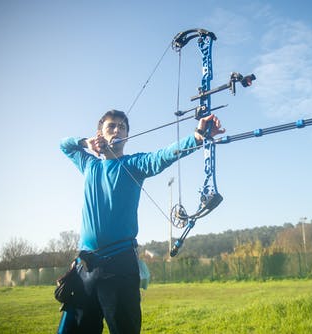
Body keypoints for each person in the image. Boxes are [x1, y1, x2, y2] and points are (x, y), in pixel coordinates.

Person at [58, 109, 224, 333]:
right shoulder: (89, 165)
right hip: (85, 265)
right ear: (99, 134)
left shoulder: (134, 164)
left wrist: (196, 136)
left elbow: (162, 156)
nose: (118, 130)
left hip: (119, 264)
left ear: (126, 136)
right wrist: (85, 143)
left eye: (122, 127)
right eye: (112, 126)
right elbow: (64, 145)